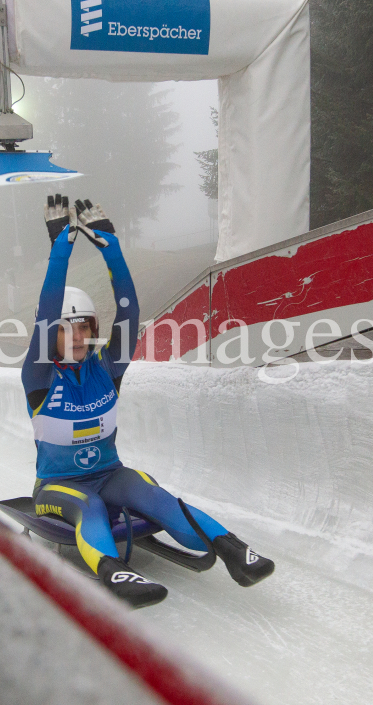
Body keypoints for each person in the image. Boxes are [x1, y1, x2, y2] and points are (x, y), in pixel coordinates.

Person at [22, 195, 274, 607]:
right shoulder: (38, 376)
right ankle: (114, 572)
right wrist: (59, 250)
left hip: (109, 473)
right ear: (52, 334)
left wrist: (112, 248)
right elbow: (47, 312)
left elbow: (130, 310)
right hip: (58, 485)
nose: (80, 336)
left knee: (153, 494)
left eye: (84, 327)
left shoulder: (108, 367)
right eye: (68, 329)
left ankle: (232, 549)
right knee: (90, 507)